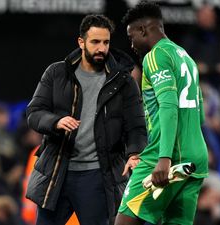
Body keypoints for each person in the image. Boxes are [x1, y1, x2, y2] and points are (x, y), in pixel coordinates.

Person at [25, 14, 147, 225]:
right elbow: (34, 112)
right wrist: (55, 122)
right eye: (95, 42)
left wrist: (135, 152)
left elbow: (136, 126)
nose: (101, 48)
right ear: (81, 42)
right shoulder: (56, 73)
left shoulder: (124, 81)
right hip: (58, 172)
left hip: (97, 177)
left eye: (106, 42)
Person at [115, 2, 208, 225]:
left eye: (131, 37)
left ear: (143, 31)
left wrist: (164, 159)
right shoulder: (185, 56)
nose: (131, 44)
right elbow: (200, 113)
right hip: (195, 159)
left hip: (165, 158)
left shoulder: (155, 57)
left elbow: (169, 107)